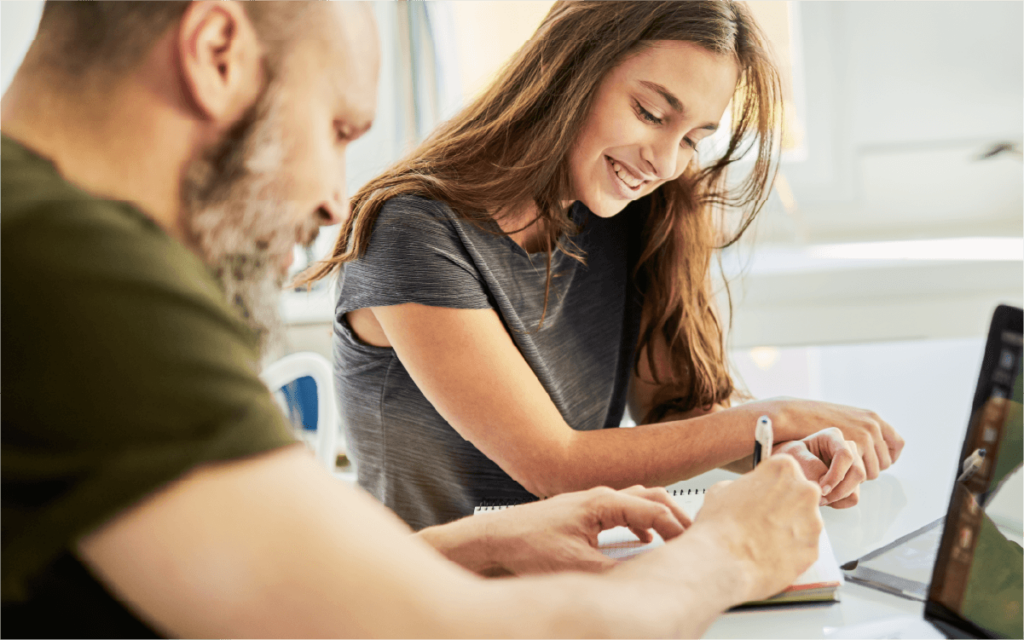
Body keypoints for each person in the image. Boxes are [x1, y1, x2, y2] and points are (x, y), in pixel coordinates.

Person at [2, 2, 826, 638]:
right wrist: (734, 552)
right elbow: (432, 629)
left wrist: (481, 543)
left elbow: (276, 586)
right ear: (215, 54)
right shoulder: (69, 272)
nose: (333, 200)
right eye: (337, 129)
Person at [304, 0, 905, 530]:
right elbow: (555, 465)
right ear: (571, 70)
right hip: (433, 596)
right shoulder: (414, 229)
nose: (666, 161)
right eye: (650, 112)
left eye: (694, 137)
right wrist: (774, 413)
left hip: (576, 571)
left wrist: (781, 450)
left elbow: (677, 412)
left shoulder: (626, 213)